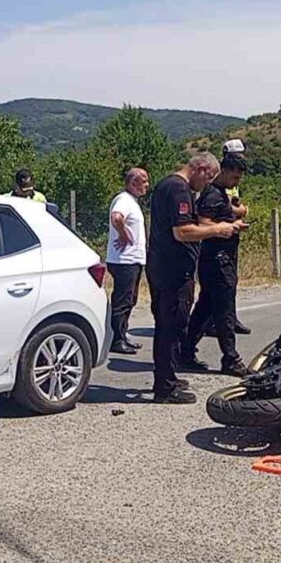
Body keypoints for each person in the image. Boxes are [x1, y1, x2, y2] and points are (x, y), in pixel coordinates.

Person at [147, 153, 245, 404]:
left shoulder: (165, 185)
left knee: (169, 325)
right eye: (208, 178)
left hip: (163, 266)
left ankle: (167, 376)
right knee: (171, 326)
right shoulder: (179, 190)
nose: (206, 184)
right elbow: (182, 232)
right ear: (201, 169)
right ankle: (165, 388)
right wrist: (218, 229)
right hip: (173, 271)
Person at [180, 152, 251, 376]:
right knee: (225, 310)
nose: (237, 182)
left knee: (206, 308)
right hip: (218, 260)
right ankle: (230, 358)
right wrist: (228, 228)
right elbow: (204, 223)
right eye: (235, 177)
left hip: (219, 259)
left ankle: (186, 350)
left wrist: (234, 221)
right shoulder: (212, 195)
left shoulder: (220, 194)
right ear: (226, 172)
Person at [106, 168, 150, 354]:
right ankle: (116, 339)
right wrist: (123, 234)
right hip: (124, 260)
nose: (147, 185)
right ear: (134, 183)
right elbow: (116, 217)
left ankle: (122, 334)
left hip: (132, 260)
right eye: (144, 181)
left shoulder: (131, 201)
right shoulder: (124, 200)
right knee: (122, 301)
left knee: (129, 299)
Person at [220, 138, 252, 336]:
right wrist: (240, 210)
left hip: (232, 229)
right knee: (224, 282)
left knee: (231, 281)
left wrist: (239, 209)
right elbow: (220, 206)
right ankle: (223, 321)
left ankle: (230, 318)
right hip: (220, 232)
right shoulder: (222, 174)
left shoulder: (234, 174)